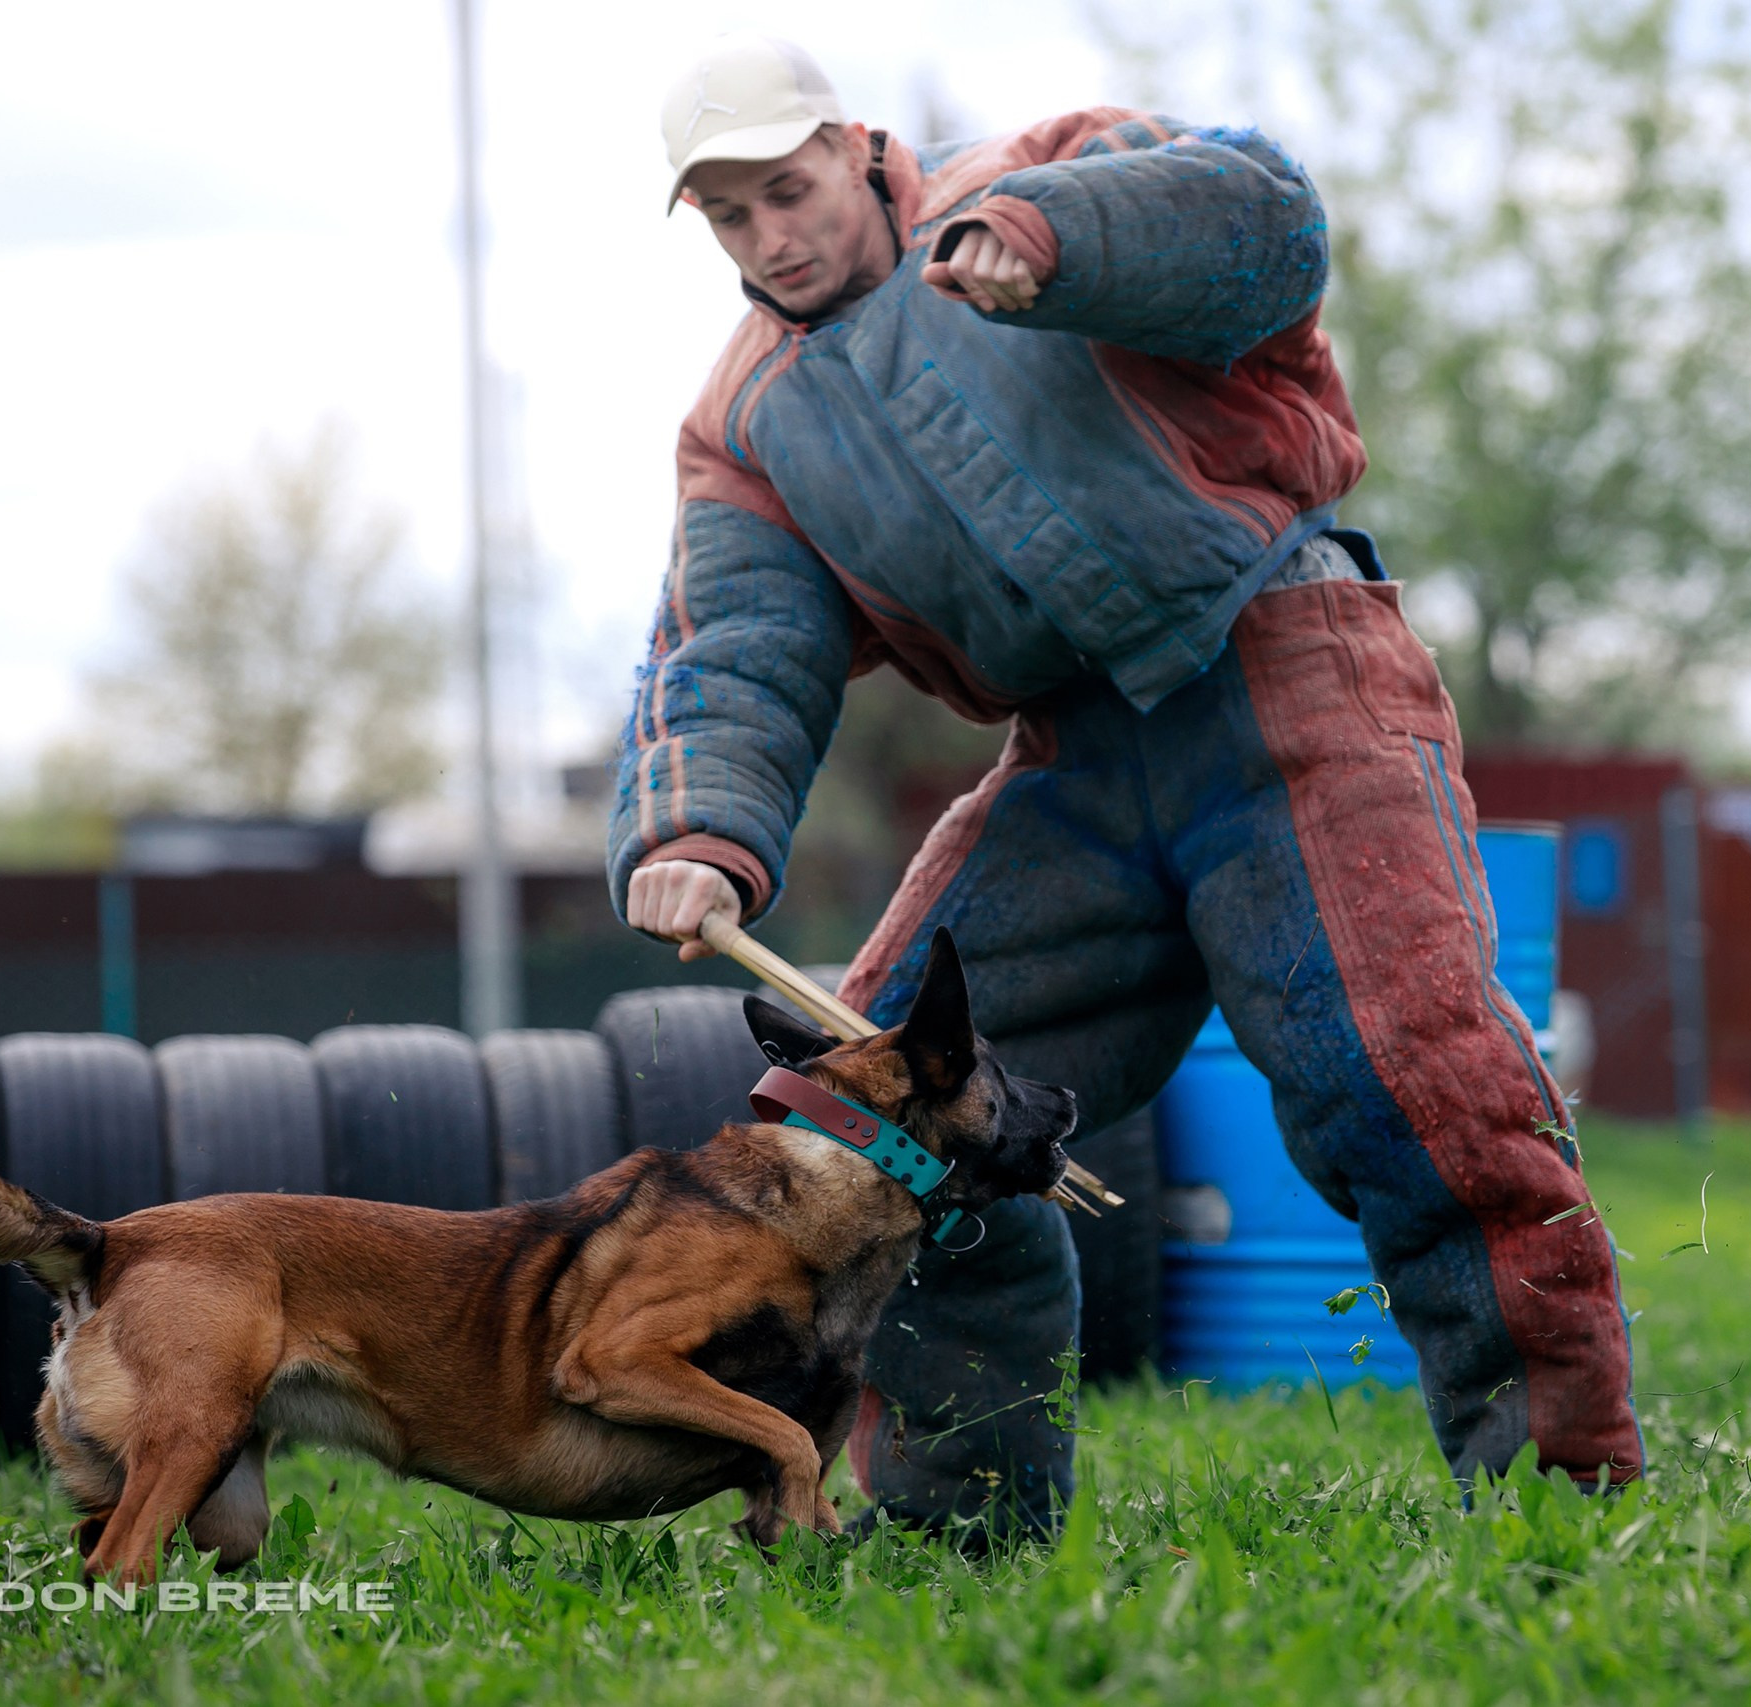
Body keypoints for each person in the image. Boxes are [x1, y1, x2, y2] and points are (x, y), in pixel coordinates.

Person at [614, 31, 1641, 1544]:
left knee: (1412, 1079)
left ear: (848, 145)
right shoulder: (745, 427)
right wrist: (697, 828)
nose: (775, 235)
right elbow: (736, 647)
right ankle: (965, 1533)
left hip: (1287, 658)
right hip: (1073, 757)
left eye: (789, 187)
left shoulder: (1033, 179)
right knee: (884, 1126)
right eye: (731, 216)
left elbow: (1264, 226)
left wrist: (1056, 246)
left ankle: (1563, 1496)